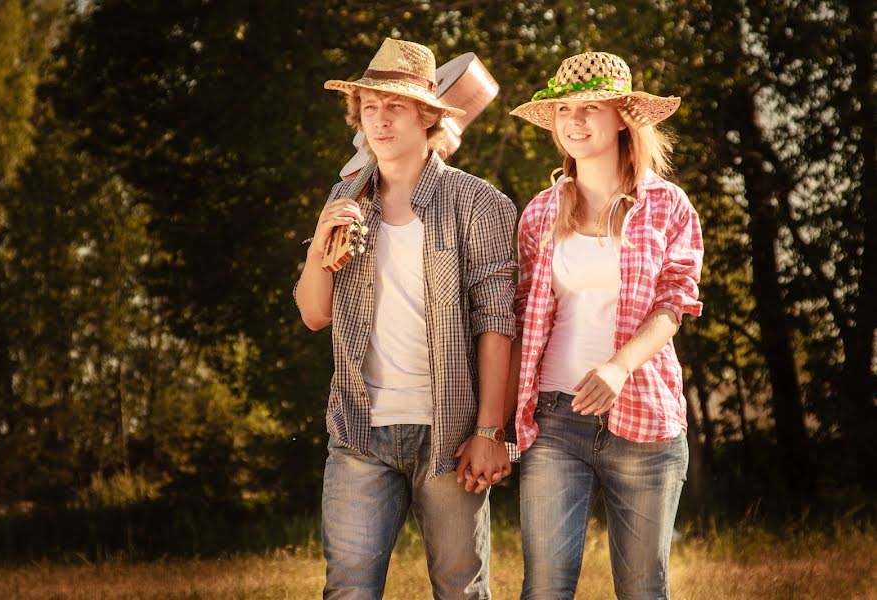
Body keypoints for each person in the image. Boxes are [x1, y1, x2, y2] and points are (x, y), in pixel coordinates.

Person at [294, 38, 516, 599]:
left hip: (450, 434)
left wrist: (491, 431)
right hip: (359, 433)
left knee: (460, 590)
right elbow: (314, 314)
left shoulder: (480, 205)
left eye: (395, 106)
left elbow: (498, 324)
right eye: (370, 107)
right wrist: (319, 244)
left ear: (428, 116)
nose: (380, 119)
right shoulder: (346, 198)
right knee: (347, 590)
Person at [507, 51, 703, 599]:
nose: (575, 120)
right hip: (555, 415)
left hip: (645, 416)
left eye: (591, 107)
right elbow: (524, 315)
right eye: (565, 109)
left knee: (643, 589)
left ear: (623, 117)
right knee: (544, 586)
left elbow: (674, 303)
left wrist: (619, 366)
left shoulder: (668, 206)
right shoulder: (541, 213)